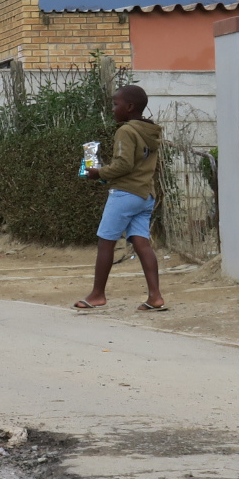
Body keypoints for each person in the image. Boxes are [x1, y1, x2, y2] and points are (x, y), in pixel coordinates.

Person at [76, 84, 166, 312]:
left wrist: (99, 173)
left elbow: (124, 164)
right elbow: (136, 166)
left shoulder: (125, 131)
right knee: (142, 243)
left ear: (130, 106)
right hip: (145, 195)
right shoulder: (150, 132)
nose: (113, 109)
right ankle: (155, 296)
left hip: (125, 195)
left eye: (116, 105)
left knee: (106, 241)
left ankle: (97, 294)